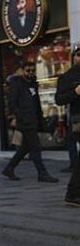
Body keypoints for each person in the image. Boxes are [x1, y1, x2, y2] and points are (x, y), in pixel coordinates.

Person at [1, 62, 58, 182]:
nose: (30, 73)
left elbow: (36, 103)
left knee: (25, 148)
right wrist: (20, 117)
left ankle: (9, 168)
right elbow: (12, 103)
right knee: (36, 146)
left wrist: (41, 118)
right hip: (25, 121)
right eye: (28, 70)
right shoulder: (17, 85)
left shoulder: (33, 84)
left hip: (34, 119)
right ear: (23, 71)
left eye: (33, 70)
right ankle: (42, 173)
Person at [54, 45, 80, 207]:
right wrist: (75, 93)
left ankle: (73, 194)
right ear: (75, 57)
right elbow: (59, 100)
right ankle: (72, 194)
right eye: (78, 54)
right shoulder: (67, 77)